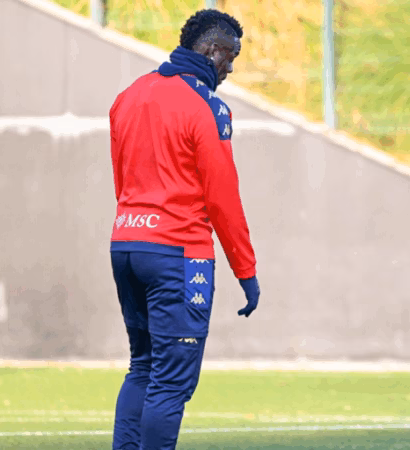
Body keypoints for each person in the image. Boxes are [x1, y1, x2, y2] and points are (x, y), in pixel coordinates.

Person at [106, 9, 260, 450]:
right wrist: (246, 272)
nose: (231, 68)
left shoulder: (128, 96)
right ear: (211, 50)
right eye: (230, 57)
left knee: (143, 367)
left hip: (126, 242)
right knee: (171, 382)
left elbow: (122, 180)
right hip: (177, 255)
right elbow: (223, 199)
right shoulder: (208, 107)